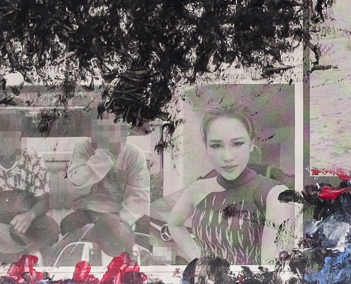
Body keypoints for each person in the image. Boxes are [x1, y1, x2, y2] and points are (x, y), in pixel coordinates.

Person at [160, 93, 292, 265]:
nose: (227, 157)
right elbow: (174, 224)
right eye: (216, 145)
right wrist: (199, 259)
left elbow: (270, 269)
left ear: (251, 143)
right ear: (206, 147)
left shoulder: (274, 195)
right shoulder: (197, 190)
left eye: (237, 144)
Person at [54, 115, 151, 261]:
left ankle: (91, 233)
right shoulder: (83, 148)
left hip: (118, 214)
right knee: (67, 224)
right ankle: (91, 233)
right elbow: (76, 186)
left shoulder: (134, 154)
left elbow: (139, 197)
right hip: (88, 211)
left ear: (124, 132)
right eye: (102, 129)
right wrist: (103, 155)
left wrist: (121, 221)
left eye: (113, 129)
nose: (107, 134)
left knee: (116, 232)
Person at [0, 108, 57, 262]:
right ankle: (18, 254)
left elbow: (44, 201)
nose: (6, 141)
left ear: (19, 135)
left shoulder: (33, 158)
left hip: (24, 225)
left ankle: (18, 253)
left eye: (11, 136)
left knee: (51, 229)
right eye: (0, 136)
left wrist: (29, 216)